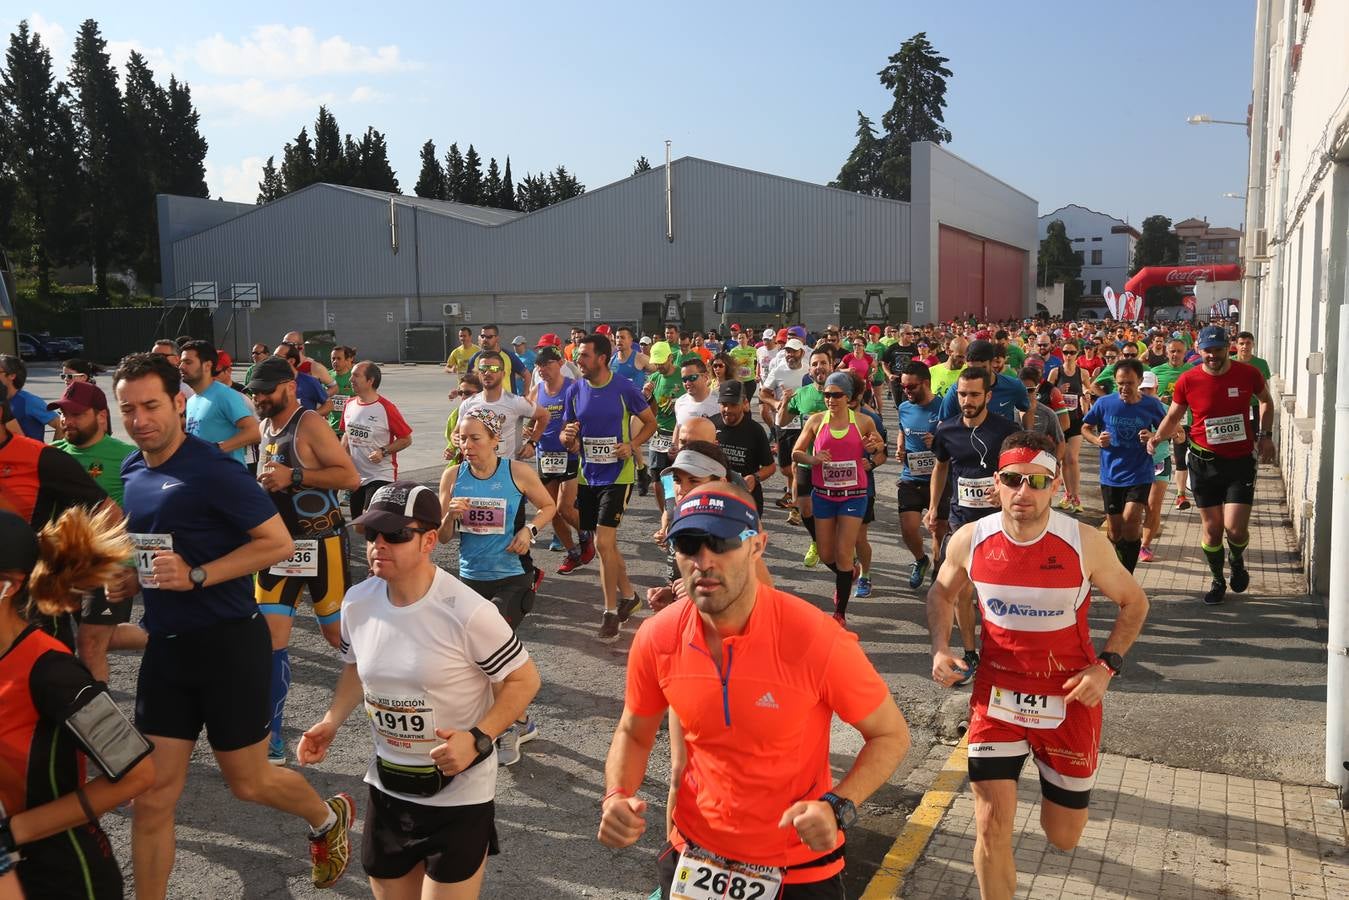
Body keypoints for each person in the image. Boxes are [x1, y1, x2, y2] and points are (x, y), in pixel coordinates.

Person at [111, 352, 354, 894]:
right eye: (128, 409)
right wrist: (132, 579)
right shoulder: (133, 471)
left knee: (249, 781)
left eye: (151, 405)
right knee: (152, 796)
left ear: (179, 403)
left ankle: (326, 817)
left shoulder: (213, 470)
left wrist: (198, 575)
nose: (139, 419)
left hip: (227, 646)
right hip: (168, 651)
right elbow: (152, 550)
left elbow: (278, 543)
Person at [598, 482, 910, 900]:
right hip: (696, 856)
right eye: (688, 544)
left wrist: (838, 806)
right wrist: (617, 796)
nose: (703, 561)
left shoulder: (814, 637)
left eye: (721, 541)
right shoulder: (658, 637)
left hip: (797, 869)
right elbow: (634, 732)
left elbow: (890, 734)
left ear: (757, 546)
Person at [926, 430, 1149, 900]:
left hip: (1068, 698)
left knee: (1062, 835)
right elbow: (943, 592)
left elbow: (1134, 602)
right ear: (997, 482)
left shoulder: (1083, 542)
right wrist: (940, 648)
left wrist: (1105, 667)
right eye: (1012, 479)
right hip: (996, 697)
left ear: (1054, 485)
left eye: (1036, 481)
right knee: (989, 825)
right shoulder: (971, 538)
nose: (1023, 492)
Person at [299, 481, 540, 899]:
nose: (378, 544)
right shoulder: (357, 602)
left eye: (394, 535)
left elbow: (523, 679)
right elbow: (356, 666)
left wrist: (479, 739)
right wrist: (331, 720)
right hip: (389, 789)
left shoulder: (468, 612)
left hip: (458, 797)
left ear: (430, 540)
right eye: (371, 534)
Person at [0, 505, 156, 899]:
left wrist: (10, 835)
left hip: (63, 878)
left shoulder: (52, 671)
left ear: (10, 585)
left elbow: (138, 774)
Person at [247, 356, 361, 765]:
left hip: (321, 546)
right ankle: (272, 736)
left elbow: (349, 478)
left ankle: (400, 688)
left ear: (289, 386)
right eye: (255, 391)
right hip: (277, 549)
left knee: (339, 639)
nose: (258, 397)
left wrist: (294, 477)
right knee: (269, 642)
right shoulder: (264, 426)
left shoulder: (309, 423)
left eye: (265, 390)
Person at [437, 412, 554, 765]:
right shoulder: (452, 477)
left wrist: (529, 531)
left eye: (474, 438)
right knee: (478, 661)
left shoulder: (516, 472)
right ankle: (520, 720)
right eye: (461, 438)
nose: (466, 446)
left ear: (494, 440)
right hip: (470, 580)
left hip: (513, 577)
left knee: (492, 659)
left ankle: (500, 733)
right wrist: (449, 516)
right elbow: (442, 537)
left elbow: (549, 505)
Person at [1146, 325, 1276, 605]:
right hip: (1204, 462)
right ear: (1199, 350)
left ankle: (1237, 560)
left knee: (1235, 529)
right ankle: (1218, 579)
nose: (1213, 356)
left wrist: (1266, 436)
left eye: (1217, 350)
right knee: (1213, 530)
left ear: (1227, 347)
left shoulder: (1248, 373)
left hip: (1240, 462)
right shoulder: (1188, 380)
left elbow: (1266, 401)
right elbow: (1173, 415)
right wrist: (1158, 438)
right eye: (1207, 350)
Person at [926, 368, 1024, 685]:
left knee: (999, 591)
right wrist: (932, 507)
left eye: (974, 395)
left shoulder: (1007, 431)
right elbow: (941, 468)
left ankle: (1006, 649)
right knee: (961, 591)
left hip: (1000, 523)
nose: (967, 401)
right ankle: (970, 652)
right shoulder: (947, 430)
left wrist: (1005, 488)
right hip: (961, 520)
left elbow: (1021, 470)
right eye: (962, 394)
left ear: (988, 396)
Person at [560, 333, 657, 640]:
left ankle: (610, 612)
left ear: (602, 357)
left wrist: (632, 445)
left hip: (618, 476)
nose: (579, 361)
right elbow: (569, 433)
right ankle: (629, 595)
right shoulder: (574, 390)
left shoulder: (624, 388)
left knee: (603, 543)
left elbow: (650, 422)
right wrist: (569, 441)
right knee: (608, 546)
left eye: (585, 356)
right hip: (588, 476)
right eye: (578, 356)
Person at [49, 381, 145, 680]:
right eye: (63, 413)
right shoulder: (50, 454)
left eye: (77, 414)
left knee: (90, 644)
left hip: (109, 566)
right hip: (63, 566)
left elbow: (147, 510)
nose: (67, 420)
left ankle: (97, 724)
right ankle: (182, 635)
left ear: (101, 416)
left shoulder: (128, 457)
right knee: (86, 641)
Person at [792, 372, 886, 625]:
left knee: (844, 551)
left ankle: (840, 614)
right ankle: (848, 574)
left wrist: (873, 454)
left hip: (853, 496)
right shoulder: (816, 421)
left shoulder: (864, 422)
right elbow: (796, 452)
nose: (830, 399)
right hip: (823, 495)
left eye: (836, 395)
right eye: (827, 395)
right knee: (826, 554)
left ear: (849, 398)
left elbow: (880, 452)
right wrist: (813, 459)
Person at [1081, 359, 1166, 573]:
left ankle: (1127, 573)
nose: (1124, 388)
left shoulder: (1151, 405)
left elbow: (1171, 430)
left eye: (1129, 383)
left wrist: (1153, 436)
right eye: (1120, 383)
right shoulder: (1104, 403)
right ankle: (1115, 564)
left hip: (1140, 472)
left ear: (1139, 381)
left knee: (1131, 520)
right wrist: (1096, 440)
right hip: (1111, 474)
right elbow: (1085, 428)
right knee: (1115, 531)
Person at [896, 360, 947, 589]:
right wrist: (900, 446)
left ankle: (938, 569)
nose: (906, 391)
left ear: (925, 383)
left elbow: (956, 437)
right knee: (908, 528)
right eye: (903, 387)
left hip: (940, 478)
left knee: (938, 531)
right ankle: (920, 560)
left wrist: (938, 442)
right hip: (911, 475)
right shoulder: (904, 407)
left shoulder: (944, 407)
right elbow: (901, 428)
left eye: (911, 387)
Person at [779, 348, 832, 566]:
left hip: (834, 463)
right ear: (809, 370)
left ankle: (845, 546)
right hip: (808, 461)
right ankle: (817, 542)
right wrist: (784, 401)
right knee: (804, 506)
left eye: (823, 363)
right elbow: (782, 421)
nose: (819, 367)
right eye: (815, 364)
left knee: (835, 509)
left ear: (831, 365)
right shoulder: (802, 394)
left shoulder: (841, 392)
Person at [342, 361, 414, 519]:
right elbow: (346, 435)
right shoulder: (349, 404)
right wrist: (342, 459)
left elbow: (406, 439)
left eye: (356, 375)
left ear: (370, 381)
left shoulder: (386, 408)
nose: (351, 379)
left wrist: (383, 451)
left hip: (380, 475)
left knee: (372, 519)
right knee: (359, 524)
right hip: (356, 477)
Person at [458, 350, 550, 460]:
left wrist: (532, 443)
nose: (487, 373)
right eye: (483, 369)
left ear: (503, 374)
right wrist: (455, 438)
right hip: (477, 469)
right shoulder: (468, 404)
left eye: (494, 369)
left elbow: (545, 415)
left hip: (507, 469)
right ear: (478, 374)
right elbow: (456, 433)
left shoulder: (516, 402)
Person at [180, 338, 260, 465]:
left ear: (207, 366)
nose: (181, 367)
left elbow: (255, 432)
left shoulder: (225, 395)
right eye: (181, 362)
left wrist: (217, 449)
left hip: (228, 479)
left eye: (188, 362)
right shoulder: (191, 401)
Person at [711, 380, 775, 515]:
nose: (727, 410)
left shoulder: (755, 430)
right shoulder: (710, 425)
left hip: (747, 498)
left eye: (733, 405)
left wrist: (754, 478)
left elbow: (770, 467)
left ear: (744, 403)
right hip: (716, 496)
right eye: (724, 404)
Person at [760, 337, 808, 515]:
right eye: (787, 351)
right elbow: (763, 393)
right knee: (786, 467)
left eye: (793, 351)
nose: (790, 355)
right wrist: (776, 403)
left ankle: (796, 497)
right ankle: (793, 491)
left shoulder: (808, 371)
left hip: (805, 423)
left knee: (798, 463)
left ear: (801, 353)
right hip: (784, 423)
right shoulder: (778, 370)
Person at [643, 341, 684, 533]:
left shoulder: (682, 376)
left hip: (679, 435)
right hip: (659, 435)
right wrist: (648, 396)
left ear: (670, 357)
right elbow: (651, 413)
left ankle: (681, 516)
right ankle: (666, 517)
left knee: (677, 480)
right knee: (656, 482)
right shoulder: (653, 378)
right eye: (655, 362)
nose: (658, 366)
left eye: (661, 362)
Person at [1150, 339, 1195, 510]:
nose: (1175, 355)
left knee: (1180, 458)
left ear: (1185, 353)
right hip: (1161, 423)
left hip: (1184, 422)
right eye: (1172, 351)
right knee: (1158, 456)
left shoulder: (1191, 371)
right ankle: (1152, 489)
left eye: (1179, 351)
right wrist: (1159, 399)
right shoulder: (1156, 371)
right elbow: (1148, 395)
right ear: (1166, 352)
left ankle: (1181, 495)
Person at [1046, 341, 1088, 513]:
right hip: (1060, 419)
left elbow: (1088, 388)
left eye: (1072, 352)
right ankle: (1067, 494)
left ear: (1077, 354)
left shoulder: (1082, 372)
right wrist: (1058, 390)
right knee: (1064, 459)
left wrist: (1086, 395)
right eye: (1065, 352)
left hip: (1076, 419)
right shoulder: (1055, 372)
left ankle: (1076, 496)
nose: (1068, 355)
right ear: (1062, 354)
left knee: (1073, 458)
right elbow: (1045, 394)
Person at [1139, 371, 1171, 562]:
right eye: (1142, 389)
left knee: (1152, 505)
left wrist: (1157, 437)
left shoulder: (1166, 409)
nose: (1145, 393)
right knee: (1136, 505)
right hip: (1136, 463)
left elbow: (1179, 433)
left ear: (1156, 388)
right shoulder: (1130, 408)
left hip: (1160, 461)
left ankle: (1145, 545)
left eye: (1149, 389)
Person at [0, 354, 61, 441]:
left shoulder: (29, 401)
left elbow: (59, 425)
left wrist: (53, 452)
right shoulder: (2, 401)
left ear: (12, 376)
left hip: (29, 452)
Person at [469, 325, 532, 396]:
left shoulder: (509, 356)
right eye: (482, 336)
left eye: (489, 337)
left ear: (497, 338)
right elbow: (468, 381)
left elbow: (527, 375)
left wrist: (525, 395)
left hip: (507, 403)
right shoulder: (475, 358)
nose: (485, 339)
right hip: (483, 402)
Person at [275, 343, 332, 414]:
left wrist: (310, 417)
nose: (273, 360)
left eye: (277, 357)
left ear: (291, 361)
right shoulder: (271, 381)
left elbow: (329, 405)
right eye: (273, 357)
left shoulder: (309, 381)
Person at [281, 331, 338, 395]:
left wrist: (318, 398)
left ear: (301, 347)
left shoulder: (314, 367)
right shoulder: (281, 365)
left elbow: (334, 388)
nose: (284, 347)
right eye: (283, 343)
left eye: (289, 344)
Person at [673, 357, 720, 425]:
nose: (687, 383)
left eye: (692, 377)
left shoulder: (721, 401)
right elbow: (678, 428)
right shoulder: (679, 402)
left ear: (705, 376)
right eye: (684, 379)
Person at [328, 345, 357, 434]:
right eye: (333, 359)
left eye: (339, 358)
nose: (335, 362)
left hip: (350, 430)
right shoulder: (327, 376)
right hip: (331, 429)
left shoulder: (355, 377)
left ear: (348, 359)